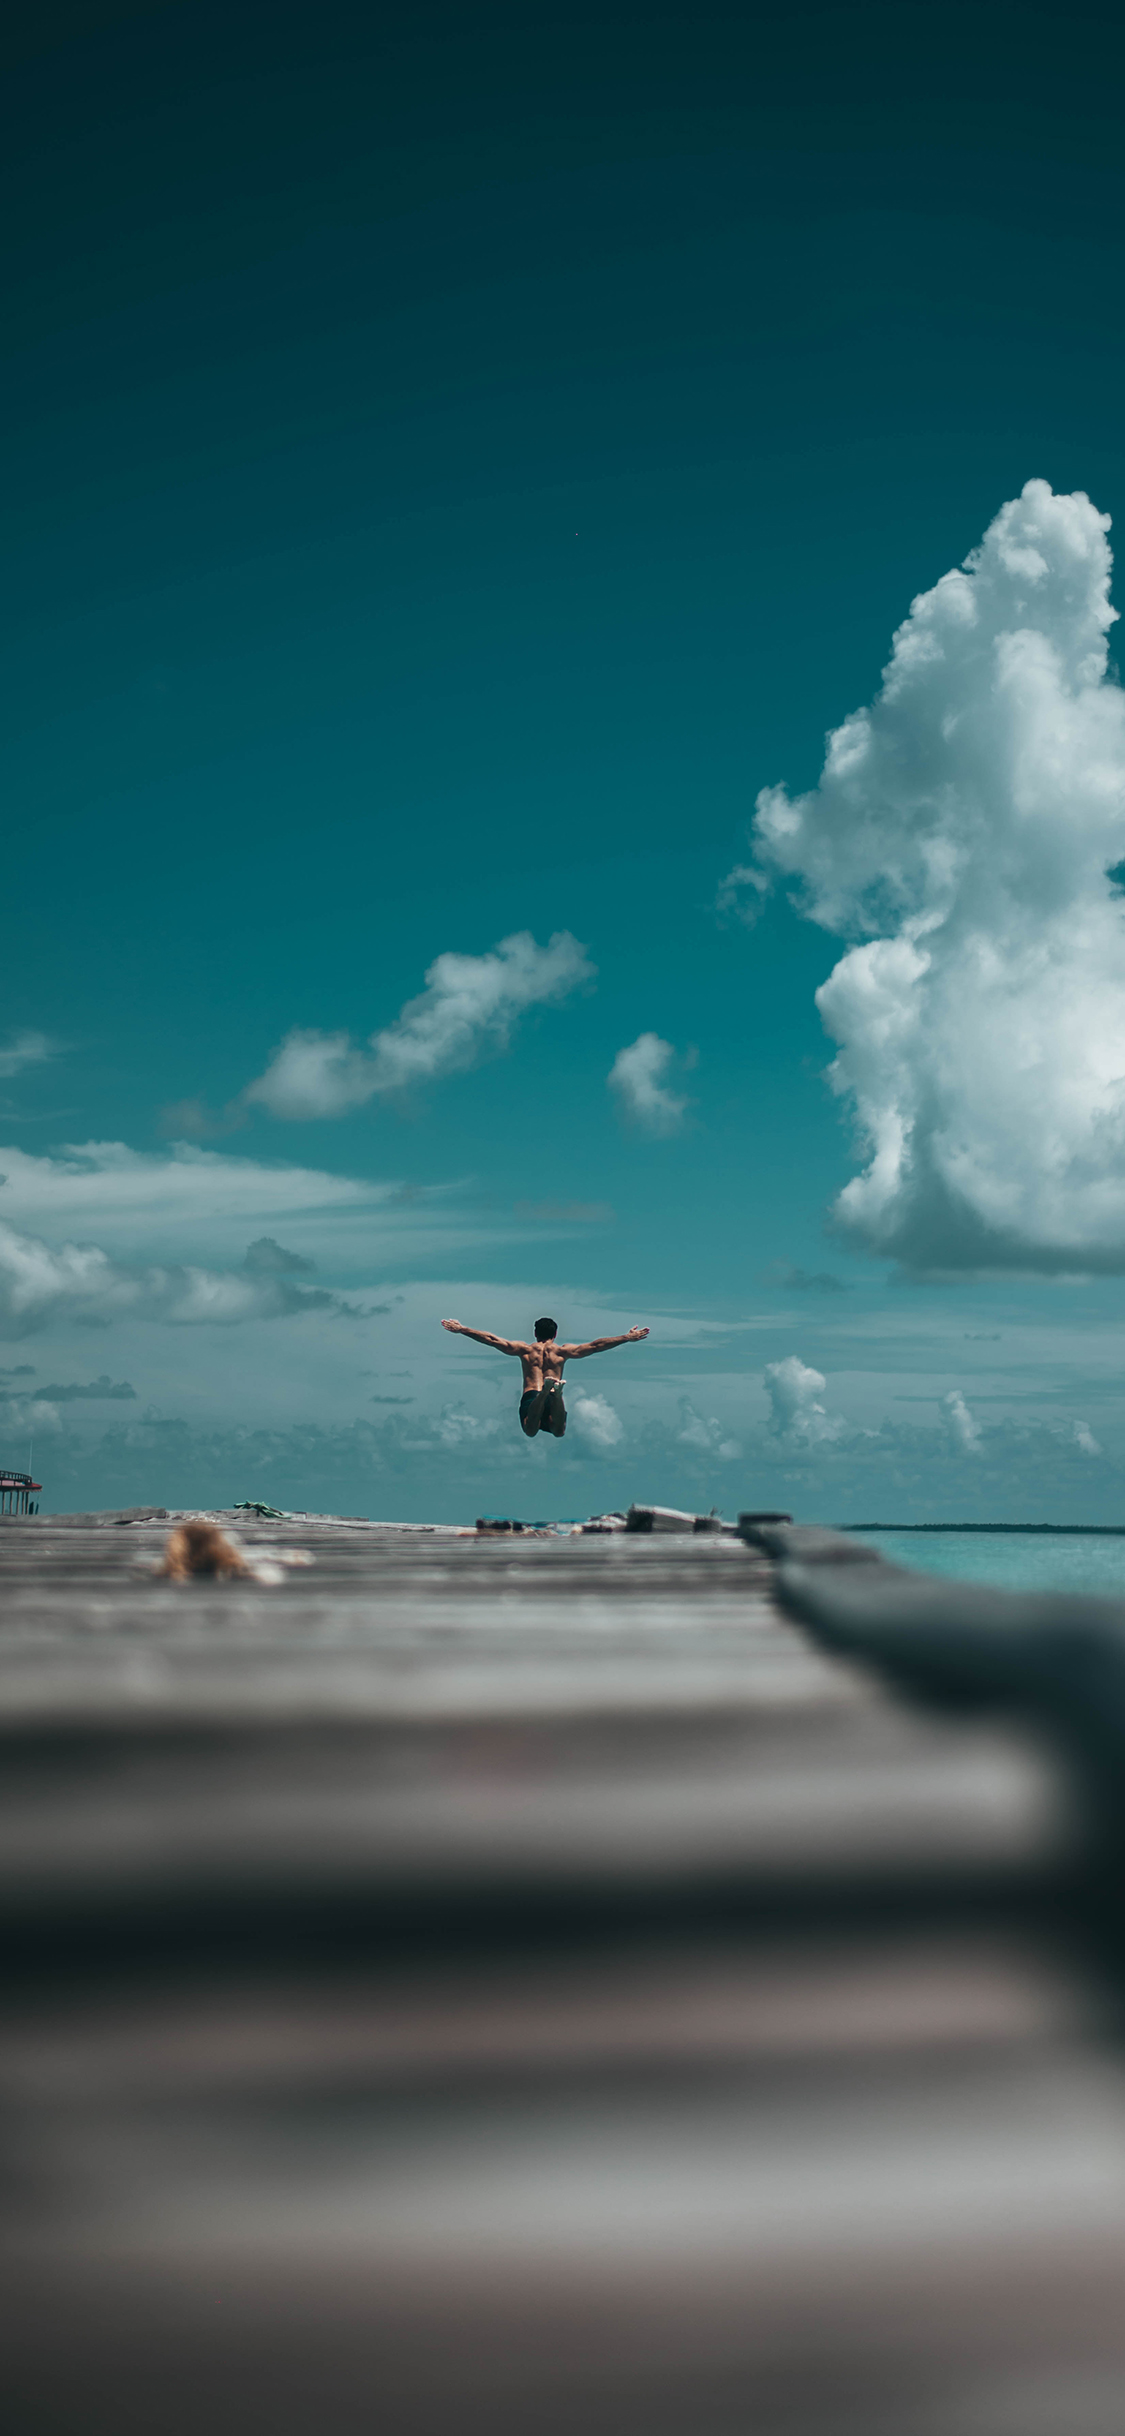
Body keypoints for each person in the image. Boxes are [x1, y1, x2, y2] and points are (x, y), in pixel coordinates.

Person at [440, 1313, 649, 1439]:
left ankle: (543, 1394)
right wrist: (625, 1337)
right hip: (552, 1398)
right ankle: (555, 1393)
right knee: (559, 1431)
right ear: (555, 1334)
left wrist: (463, 1329)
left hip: (531, 1395)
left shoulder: (524, 1350)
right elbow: (595, 1346)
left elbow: (493, 1340)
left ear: (535, 1333)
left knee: (530, 1430)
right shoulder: (562, 1351)